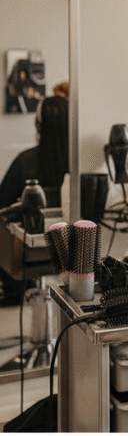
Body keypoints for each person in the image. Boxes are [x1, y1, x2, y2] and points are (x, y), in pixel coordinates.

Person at [0, 95, 69, 304]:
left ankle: (13, 292)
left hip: (30, 254)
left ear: (39, 125)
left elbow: (2, 202)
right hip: (70, 252)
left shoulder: (24, 162)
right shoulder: (77, 163)